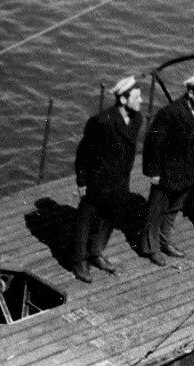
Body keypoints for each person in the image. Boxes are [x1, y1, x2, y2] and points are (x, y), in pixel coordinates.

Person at [72, 76, 143, 283]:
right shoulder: (102, 122)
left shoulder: (137, 119)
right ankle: (79, 261)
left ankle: (96, 252)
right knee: (85, 221)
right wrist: (82, 182)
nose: (141, 101)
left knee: (109, 218)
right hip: (98, 182)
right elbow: (84, 153)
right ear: (123, 100)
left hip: (120, 182)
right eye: (137, 97)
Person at [139, 74, 194, 266]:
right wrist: (154, 172)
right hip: (168, 171)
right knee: (156, 210)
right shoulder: (170, 113)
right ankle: (150, 247)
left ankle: (164, 241)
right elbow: (153, 143)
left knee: (173, 209)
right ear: (190, 93)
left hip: (189, 170)